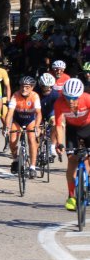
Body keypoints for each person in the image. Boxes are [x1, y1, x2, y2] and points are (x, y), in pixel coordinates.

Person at [53, 79, 89, 211]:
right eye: (68, 97)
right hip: (72, 130)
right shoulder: (59, 103)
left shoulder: (87, 99)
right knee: (71, 163)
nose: (71, 101)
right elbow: (58, 124)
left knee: (88, 161)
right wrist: (60, 143)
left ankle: (88, 185)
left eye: (74, 98)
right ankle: (72, 196)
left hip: (88, 128)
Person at [5, 76, 42, 177]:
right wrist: (7, 127)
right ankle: (16, 159)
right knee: (12, 141)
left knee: (31, 139)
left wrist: (37, 126)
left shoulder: (35, 96)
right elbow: (10, 113)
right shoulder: (15, 96)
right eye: (22, 86)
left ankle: (33, 167)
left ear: (32, 88)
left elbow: (38, 113)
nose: (24, 89)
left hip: (30, 120)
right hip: (18, 121)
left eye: (27, 87)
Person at [37, 73, 60, 160]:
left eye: (50, 87)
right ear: (41, 85)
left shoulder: (55, 95)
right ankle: (37, 148)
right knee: (38, 131)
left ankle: (52, 146)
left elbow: (58, 109)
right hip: (39, 112)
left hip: (50, 112)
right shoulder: (36, 92)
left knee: (55, 123)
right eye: (45, 87)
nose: (48, 89)